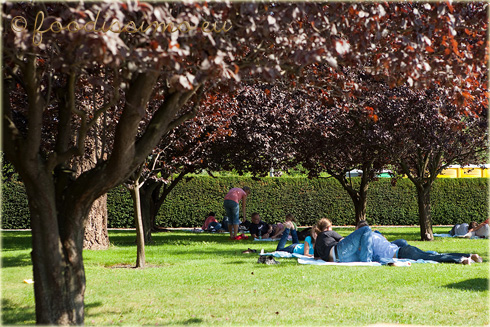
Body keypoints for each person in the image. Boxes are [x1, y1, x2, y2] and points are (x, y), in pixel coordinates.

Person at [356, 220, 483, 265]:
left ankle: (461, 259)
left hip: (402, 253)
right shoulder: (376, 234)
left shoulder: (365, 241)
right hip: (405, 249)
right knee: (433, 255)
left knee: (434, 257)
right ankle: (468, 255)